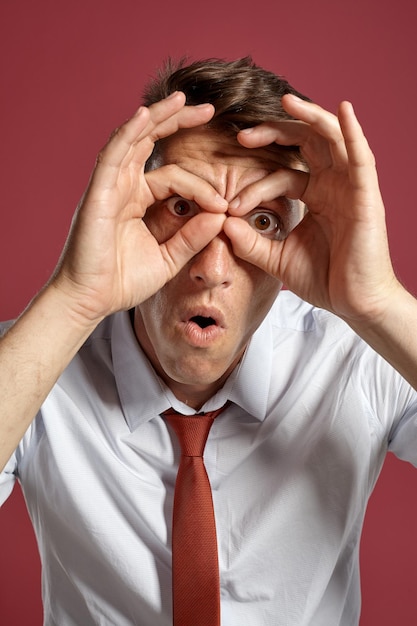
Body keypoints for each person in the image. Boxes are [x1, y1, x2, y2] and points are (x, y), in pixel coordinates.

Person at [1, 56, 417, 626]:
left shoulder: (355, 354)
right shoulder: (34, 359)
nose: (213, 267)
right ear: (133, 213)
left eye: (263, 221)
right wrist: (74, 297)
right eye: (181, 208)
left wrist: (379, 303)